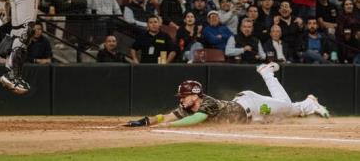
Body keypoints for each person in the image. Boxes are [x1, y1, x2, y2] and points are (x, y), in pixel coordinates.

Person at [124, 62, 329, 127]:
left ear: (195, 96)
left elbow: (198, 118)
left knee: (288, 108)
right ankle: (269, 75)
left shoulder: (207, 103)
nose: (181, 100)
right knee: (285, 109)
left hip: (253, 105)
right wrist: (145, 122)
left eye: (184, 96)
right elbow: (165, 116)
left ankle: (308, 104)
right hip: (251, 118)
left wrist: (170, 126)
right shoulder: (188, 107)